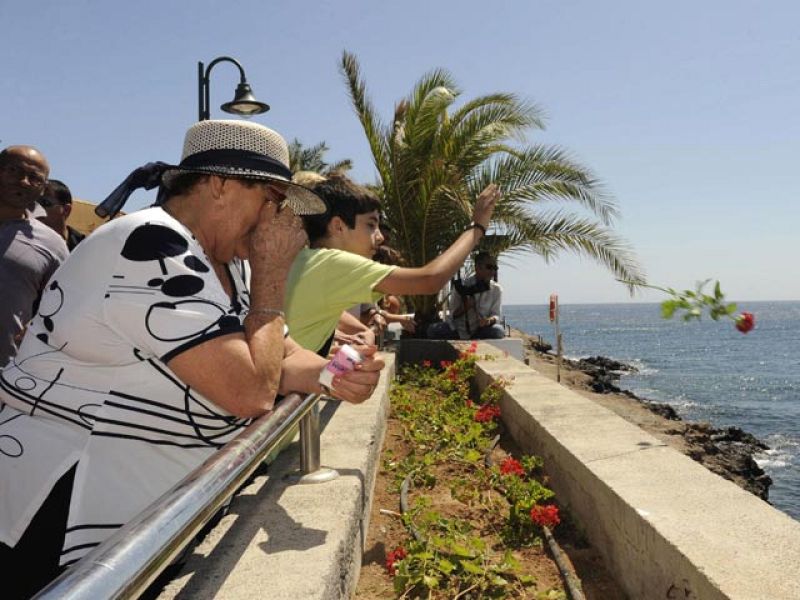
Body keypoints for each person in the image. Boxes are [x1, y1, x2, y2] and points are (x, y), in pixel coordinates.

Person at [0, 120, 384, 598]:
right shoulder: (149, 244)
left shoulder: (228, 262)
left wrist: (334, 373)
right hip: (59, 502)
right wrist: (270, 276)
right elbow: (250, 391)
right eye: (272, 199)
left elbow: (279, 354)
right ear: (219, 185)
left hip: (131, 505)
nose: (278, 219)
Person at [284, 172, 500, 355]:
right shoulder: (332, 265)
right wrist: (477, 228)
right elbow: (430, 280)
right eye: (371, 225)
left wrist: (360, 332)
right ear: (338, 226)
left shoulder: (307, 262)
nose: (380, 237)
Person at [0, 145, 69, 367]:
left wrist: (38, 324)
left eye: (35, 178)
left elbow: (67, 302)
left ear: (42, 189)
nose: (23, 181)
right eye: (13, 171)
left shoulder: (53, 245)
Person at [427, 251, 505, 340]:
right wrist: (466, 306)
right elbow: (453, 314)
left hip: (481, 330)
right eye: (489, 267)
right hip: (458, 330)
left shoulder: (496, 289)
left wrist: (488, 321)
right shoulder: (463, 286)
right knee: (432, 330)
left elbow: (496, 314)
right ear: (477, 267)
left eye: (495, 268)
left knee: (498, 331)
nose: (492, 271)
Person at [37, 178, 86, 250]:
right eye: (34, 203)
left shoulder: (83, 246)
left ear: (66, 210)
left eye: (45, 203)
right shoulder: (25, 241)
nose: (36, 209)